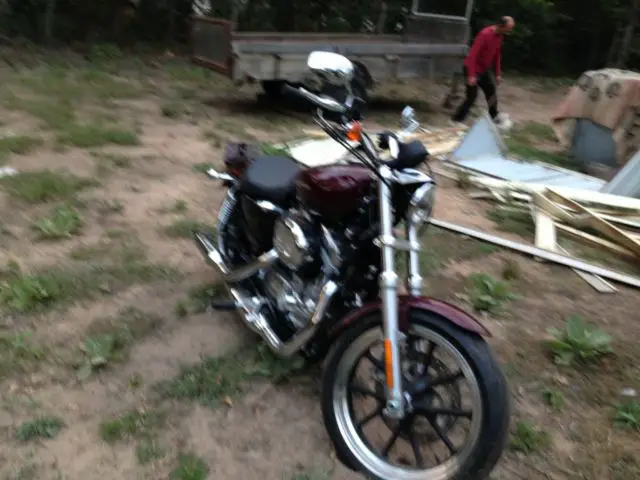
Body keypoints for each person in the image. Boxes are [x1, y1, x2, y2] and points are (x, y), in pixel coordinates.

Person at [452, 16, 515, 124]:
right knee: (472, 97)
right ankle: (457, 119)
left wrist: (497, 74)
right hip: (471, 67)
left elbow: (497, 55)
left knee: (491, 92)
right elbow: (473, 55)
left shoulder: (500, 36)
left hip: (483, 69)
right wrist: (471, 75)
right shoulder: (485, 34)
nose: (509, 31)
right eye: (508, 28)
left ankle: (493, 117)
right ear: (501, 26)